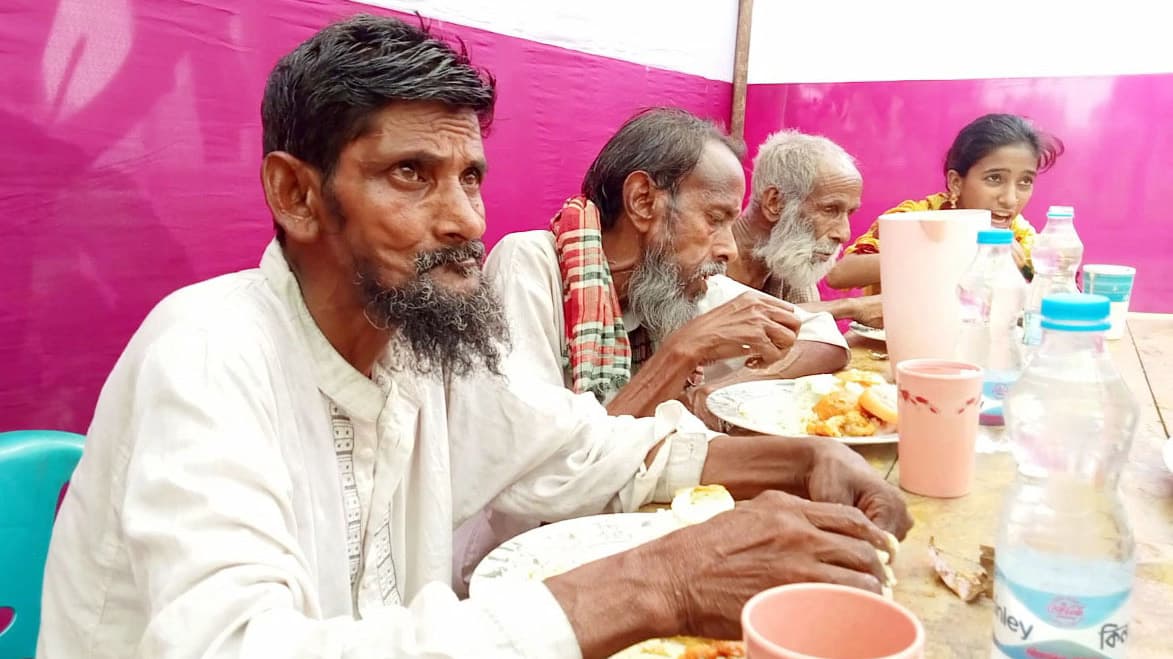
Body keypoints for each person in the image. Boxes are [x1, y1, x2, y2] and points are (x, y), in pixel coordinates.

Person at [38, 15, 911, 659]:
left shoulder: (419, 344)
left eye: (471, 176)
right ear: (297, 195)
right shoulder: (207, 350)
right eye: (411, 174)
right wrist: (660, 581)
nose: (462, 219)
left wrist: (791, 460)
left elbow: (578, 446)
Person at [484, 109, 850, 421]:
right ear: (643, 202)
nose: (730, 249)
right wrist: (684, 350)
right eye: (715, 218)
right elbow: (548, 465)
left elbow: (824, 339)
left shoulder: (684, 281)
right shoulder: (530, 264)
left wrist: (715, 391)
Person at [827, 113, 1064, 296]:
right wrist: (959, 247)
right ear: (956, 182)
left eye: (1025, 181)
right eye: (994, 178)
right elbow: (840, 274)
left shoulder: (1018, 235)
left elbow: (1051, 291)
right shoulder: (915, 218)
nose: (1011, 199)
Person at [725, 129, 883, 327]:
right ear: (775, 203)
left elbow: (811, 335)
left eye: (849, 213)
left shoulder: (788, 257)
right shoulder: (708, 257)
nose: (844, 234)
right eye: (830, 210)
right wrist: (850, 307)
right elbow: (726, 328)